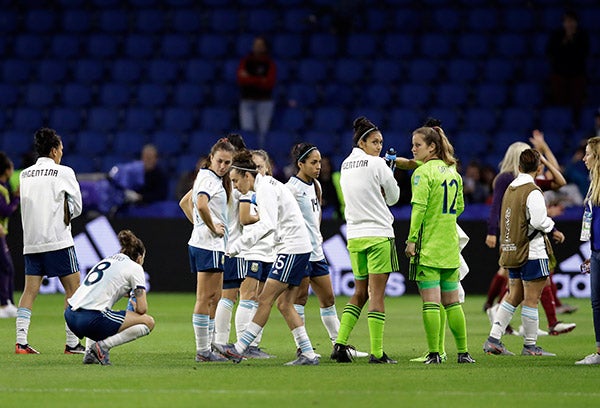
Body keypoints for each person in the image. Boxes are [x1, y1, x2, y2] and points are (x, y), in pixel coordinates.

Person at [221, 149, 319, 366]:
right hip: (297, 247)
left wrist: (238, 245)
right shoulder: (268, 185)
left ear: (248, 176)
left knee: (264, 299)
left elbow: (268, 224)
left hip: (292, 248)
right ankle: (308, 353)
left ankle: (239, 348)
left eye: (236, 180)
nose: (235, 186)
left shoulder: (264, 189)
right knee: (284, 304)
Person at [484, 132, 577, 335]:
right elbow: (498, 208)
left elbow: (559, 180)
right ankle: (534, 332)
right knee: (527, 287)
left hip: (516, 238)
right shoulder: (512, 182)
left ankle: (498, 323)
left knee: (516, 287)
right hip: (521, 239)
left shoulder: (520, 181)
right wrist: (494, 232)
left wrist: (543, 151)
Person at [286, 143, 368, 358]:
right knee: (300, 298)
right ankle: (302, 347)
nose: (318, 166)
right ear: (300, 164)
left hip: (316, 252)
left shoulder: (316, 186)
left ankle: (339, 346)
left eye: (319, 162)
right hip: (299, 252)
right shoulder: (290, 189)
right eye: (313, 162)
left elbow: (317, 217)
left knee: (328, 298)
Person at [330, 116, 400, 364]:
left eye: (380, 142)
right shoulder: (378, 164)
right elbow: (393, 198)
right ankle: (378, 353)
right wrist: (388, 176)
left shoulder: (345, 165)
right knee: (376, 295)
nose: (379, 146)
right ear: (362, 141)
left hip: (355, 236)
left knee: (359, 293)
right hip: (379, 234)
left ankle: (339, 345)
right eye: (374, 141)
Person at [404, 125, 475, 364]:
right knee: (453, 302)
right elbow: (460, 208)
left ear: (432, 147)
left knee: (431, 302)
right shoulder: (453, 173)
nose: (413, 149)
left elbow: (419, 209)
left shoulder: (422, 174)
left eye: (417, 145)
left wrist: (412, 239)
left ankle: (435, 353)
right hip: (449, 246)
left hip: (429, 246)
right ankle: (463, 353)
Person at [15, 127, 84, 354]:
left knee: (29, 291)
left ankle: (21, 341)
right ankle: (72, 342)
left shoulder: (24, 175)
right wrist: (66, 213)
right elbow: (77, 207)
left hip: (32, 241)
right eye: (61, 149)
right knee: (74, 290)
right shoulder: (64, 172)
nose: (62, 153)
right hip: (57, 240)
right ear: (54, 151)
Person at [179, 138, 235, 362]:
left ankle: (209, 346)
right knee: (205, 298)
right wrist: (211, 227)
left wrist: (199, 226)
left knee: (215, 296)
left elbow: (185, 203)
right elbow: (200, 204)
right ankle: (203, 351)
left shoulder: (207, 178)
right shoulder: (209, 179)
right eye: (219, 161)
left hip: (206, 243)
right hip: (208, 245)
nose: (223, 166)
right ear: (211, 158)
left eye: (227, 163)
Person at [64, 230, 155, 365]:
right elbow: (142, 309)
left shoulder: (108, 260)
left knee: (103, 310)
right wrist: (134, 305)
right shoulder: (135, 267)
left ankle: (90, 353)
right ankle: (102, 347)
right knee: (148, 322)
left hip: (70, 316)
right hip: (89, 319)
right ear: (140, 257)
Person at [575, 136, 600, 364]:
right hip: (597, 252)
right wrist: (592, 253)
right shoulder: (594, 186)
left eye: (588, 154)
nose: (584, 158)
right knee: (596, 303)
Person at [546, 9, 590, 120]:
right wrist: (565, 41)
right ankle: (558, 120)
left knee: (577, 100)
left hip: (577, 73)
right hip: (559, 73)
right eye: (567, 21)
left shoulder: (582, 36)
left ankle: (576, 121)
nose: (569, 24)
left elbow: (584, 53)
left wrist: (572, 41)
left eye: (572, 21)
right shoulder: (557, 36)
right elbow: (551, 52)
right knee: (558, 99)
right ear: (563, 23)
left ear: (576, 22)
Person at [237, 36, 277, 147]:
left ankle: (261, 158)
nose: (257, 47)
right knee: (247, 132)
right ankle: (247, 157)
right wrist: (259, 80)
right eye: (256, 45)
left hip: (264, 102)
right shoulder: (246, 61)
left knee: (263, 133)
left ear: (265, 47)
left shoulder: (269, 63)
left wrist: (250, 78)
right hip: (247, 101)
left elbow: (269, 83)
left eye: (260, 45)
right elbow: (241, 79)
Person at [0, 152, 19, 318]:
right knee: (6, 267)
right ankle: (4, 304)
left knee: (6, 268)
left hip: (2, 233)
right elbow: (5, 210)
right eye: (11, 167)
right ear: (6, 170)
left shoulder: (5, 187)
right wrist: (16, 199)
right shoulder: (0, 188)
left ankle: (8, 303)